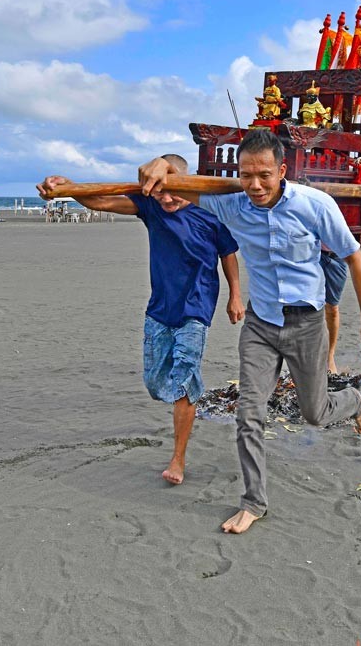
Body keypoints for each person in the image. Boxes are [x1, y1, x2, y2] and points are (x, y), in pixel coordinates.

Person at [137, 129, 361, 534]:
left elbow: (354, 258)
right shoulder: (232, 205)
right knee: (249, 414)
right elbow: (177, 187)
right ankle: (254, 502)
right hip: (261, 325)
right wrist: (163, 164)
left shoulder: (314, 205)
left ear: (281, 171)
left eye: (264, 175)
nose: (255, 185)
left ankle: (353, 401)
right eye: (246, 175)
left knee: (315, 413)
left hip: (307, 325)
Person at [36, 154, 245, 485]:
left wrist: (235, 295)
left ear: (188, 182)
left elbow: (228, 253)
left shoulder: (209, 211)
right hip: (160, 308)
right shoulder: (150, 207)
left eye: (174, 191)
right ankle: (185, 400)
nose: (167, 199)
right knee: (155, 383)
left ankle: (178, 458)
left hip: (196, 307)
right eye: (161, 192)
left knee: (184, 381)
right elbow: (102, 201)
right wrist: (69, 187)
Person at [320, 250, 348, 373]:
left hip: (337, 256)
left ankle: (329, 356)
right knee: (305, 306)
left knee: (332, 309)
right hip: (312, 255)